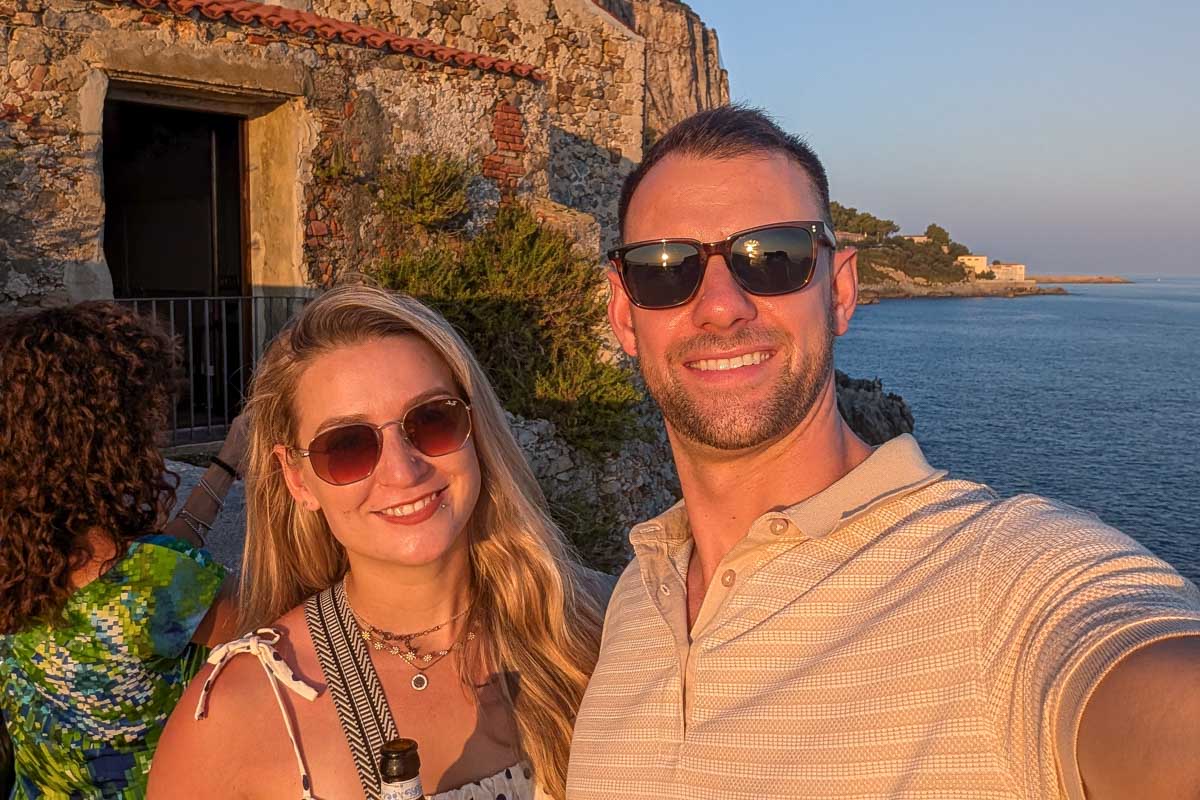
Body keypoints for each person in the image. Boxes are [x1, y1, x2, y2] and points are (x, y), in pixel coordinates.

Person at [565, 105, 1200, 799]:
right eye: (666, 268)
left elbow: (1137, 675)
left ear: (840, 291)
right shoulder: (633, 603)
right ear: (625, 315)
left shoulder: (999, 580)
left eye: (772, 258)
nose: (721, 305)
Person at [149, 285, 609, 800]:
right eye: (346, 446)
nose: (403, 470)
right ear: (298, 480)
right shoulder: (237, 715)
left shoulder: (595, 633)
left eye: (432, 420)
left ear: (474, 427)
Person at [0, 302, 245, 799]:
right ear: (106, 438)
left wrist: (227, 461)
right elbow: (300, 625)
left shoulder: (22, 561)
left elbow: (147, 577)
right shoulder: (158, 581)